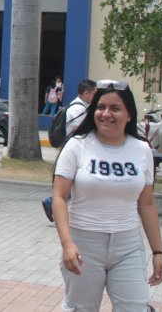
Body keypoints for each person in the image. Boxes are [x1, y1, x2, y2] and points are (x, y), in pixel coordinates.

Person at [52, 81, 162, 311]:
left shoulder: (141, 150)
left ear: (129, 115)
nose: (106, 114)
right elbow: (59, 197)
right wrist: (67, 244)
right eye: (100, 107)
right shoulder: (76, 146)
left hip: (128, 245)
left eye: (115, 108)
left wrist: (158, 251)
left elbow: (147, 204)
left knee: (135, 307)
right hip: (84, 243)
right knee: (81, 307)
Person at [43, 80, 97, 222]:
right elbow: (78, 130)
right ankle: (51, 202)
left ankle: (53, 202)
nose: (95, 97)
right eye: (94, 93)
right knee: (73, 183)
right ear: (86, 93)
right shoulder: (79, 109)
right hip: (73, 151)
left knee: (73, 183)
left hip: (71, 150)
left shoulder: (77, 105)